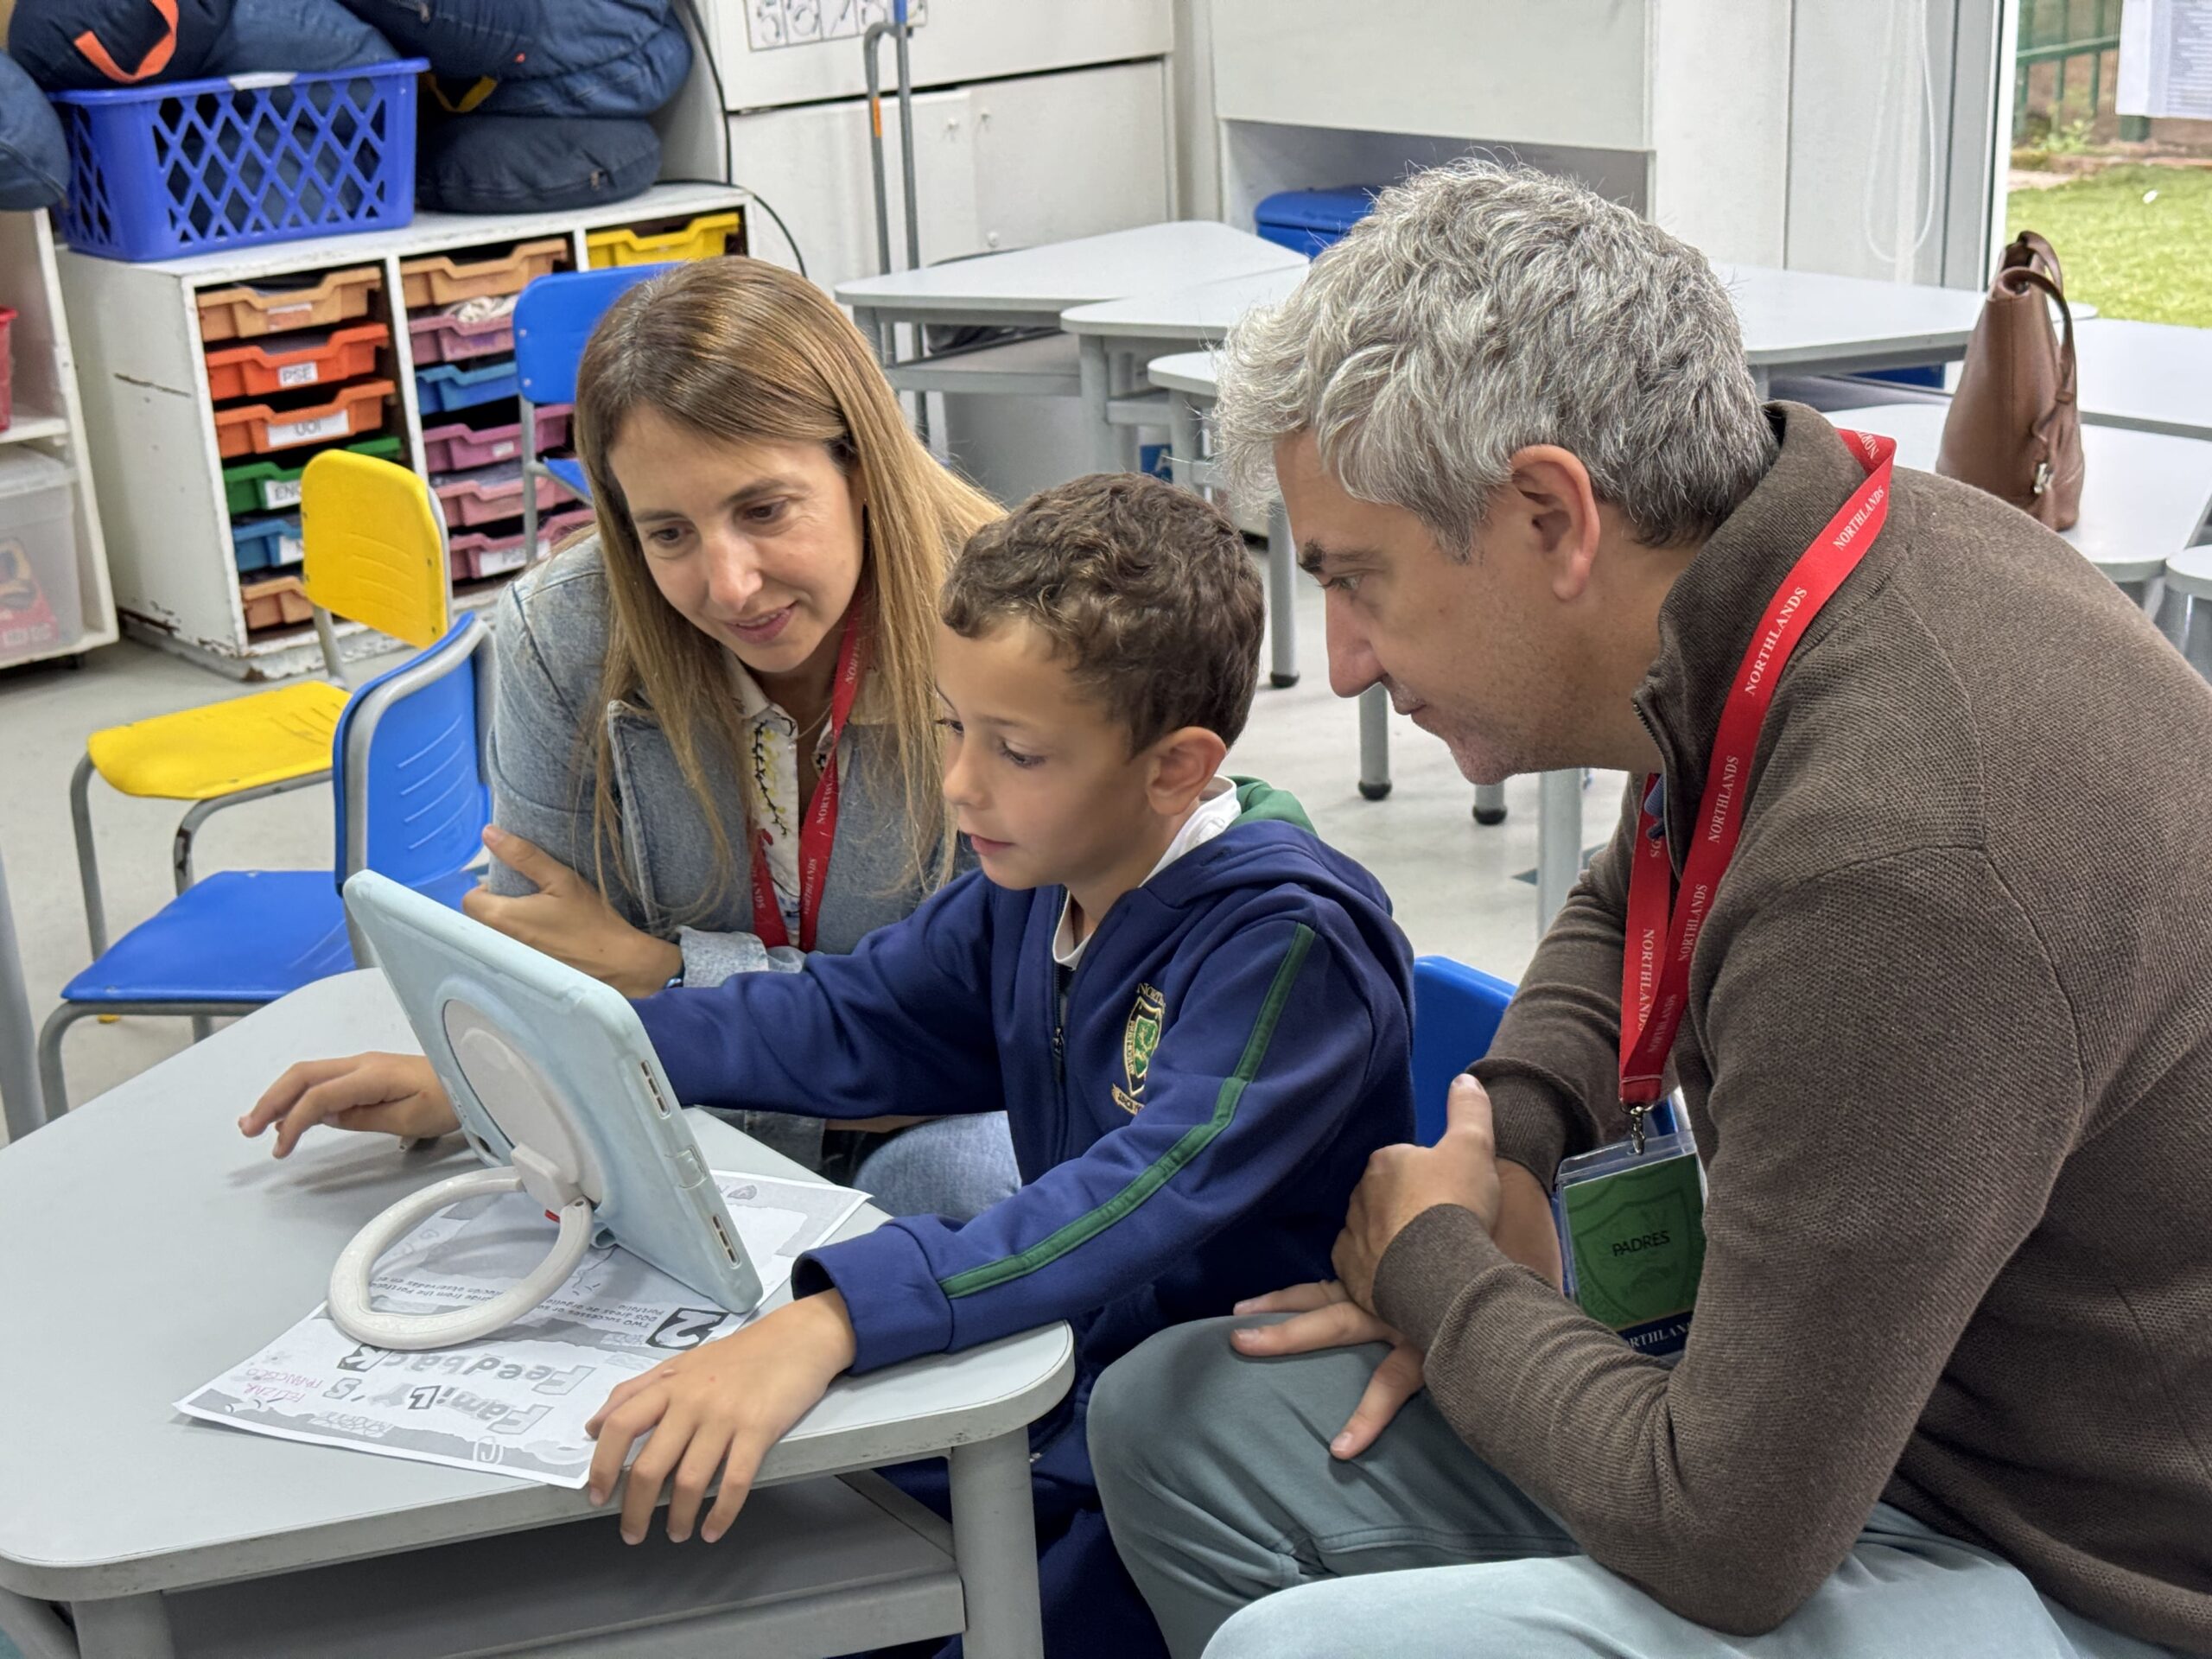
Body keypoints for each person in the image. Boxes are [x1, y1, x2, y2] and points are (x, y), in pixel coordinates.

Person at [1089, 160, 2212, 1659]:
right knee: (1177, 1421)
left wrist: (1431, 1269)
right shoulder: (1796, 569)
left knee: (1292, 1648)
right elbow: (1642, 890)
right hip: (1873, 1428)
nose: (1343, 664)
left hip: (2084, 1566)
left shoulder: (1895, 863)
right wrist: (1511, 1121)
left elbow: (1727, 1536)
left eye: (1360, 582)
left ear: (1552, 513)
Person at [249, 473, 1417, 1657]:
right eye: (954, 726)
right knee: (767, 1554)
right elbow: (843, 1018)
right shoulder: (1041, 882)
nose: (962, 783)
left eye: (1015, 750)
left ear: (1175, 769)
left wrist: (831, 1322)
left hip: (1223, 1437)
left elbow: (1125, 1201)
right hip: (1071, 1371)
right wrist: (532, 1066)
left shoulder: (1286, 940)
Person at [252, 257, 1017, 1217]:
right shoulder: (563, 631)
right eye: (668, 534)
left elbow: (998, 1038)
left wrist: (667, 976)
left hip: (934, 1126)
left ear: (860, 467)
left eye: (764, 510)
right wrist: (477, 1080)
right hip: (678, 1118)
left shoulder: (1011, 624)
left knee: (956, 1178)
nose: (729, 584)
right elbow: (553, 977)